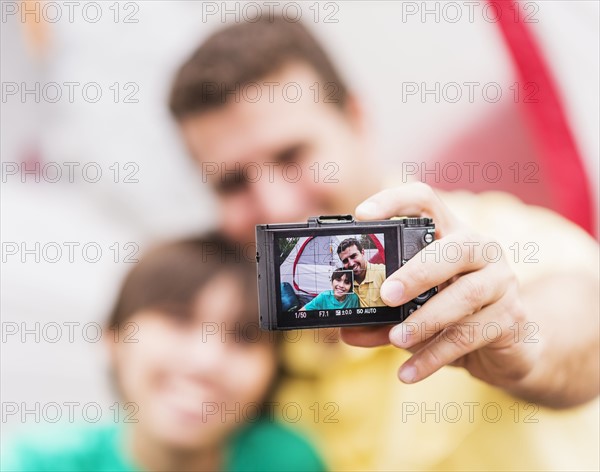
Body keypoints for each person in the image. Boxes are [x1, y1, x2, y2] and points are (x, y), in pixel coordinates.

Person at [168, 16, 599, 471]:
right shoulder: (248, 352)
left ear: (355, 118)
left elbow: (584, 320)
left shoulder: (490, 238)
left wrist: (521, 343)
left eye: (291, 155)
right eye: (232, 183)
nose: (275, 206)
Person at [2, 235, 325, 472]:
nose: (206, 361)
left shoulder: (290, 460)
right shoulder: (33, 463)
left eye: (244, 336)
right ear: (112, 337)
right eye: (178, 319)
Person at [336, 238, 386, 307]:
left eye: (353, 256)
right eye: (345, 261)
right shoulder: (344, 282)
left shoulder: (383, 272)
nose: (351, 263)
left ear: (362, 252)